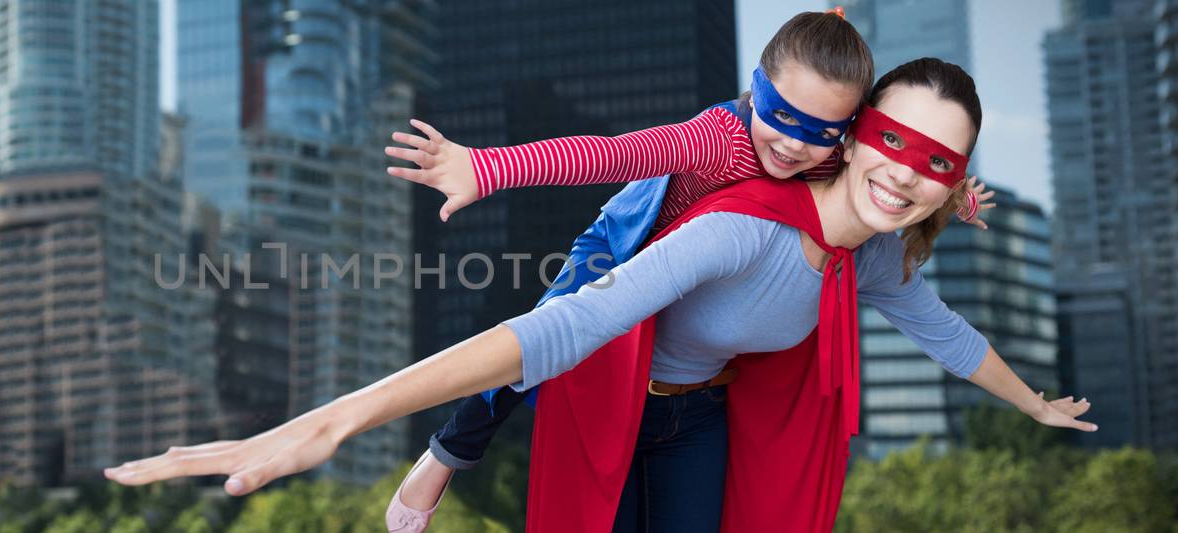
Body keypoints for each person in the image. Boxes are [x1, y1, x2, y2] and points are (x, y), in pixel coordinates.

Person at [104, 58, 1093, 532]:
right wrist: (335, 417)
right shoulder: (736, 215)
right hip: (607, 381)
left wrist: (1035, 402)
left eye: (940, 162)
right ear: (854, 132)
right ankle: (441, 455)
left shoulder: (870, 258)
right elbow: (562, 319)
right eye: (895, 142)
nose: (908, 173)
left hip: (699, 417)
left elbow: (945, 331)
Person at [384, 10, 986, 532]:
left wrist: (952, 190)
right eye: (778, 114)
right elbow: (610, 153)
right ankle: (447, 454)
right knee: (543, 342)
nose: (793, 145)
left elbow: (897, 167)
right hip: (622, 248)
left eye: (820, 133)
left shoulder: (827, 161)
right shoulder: (717, 139)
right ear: (756, 88)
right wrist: (486, 168)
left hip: (687, 350)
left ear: (849, 136)